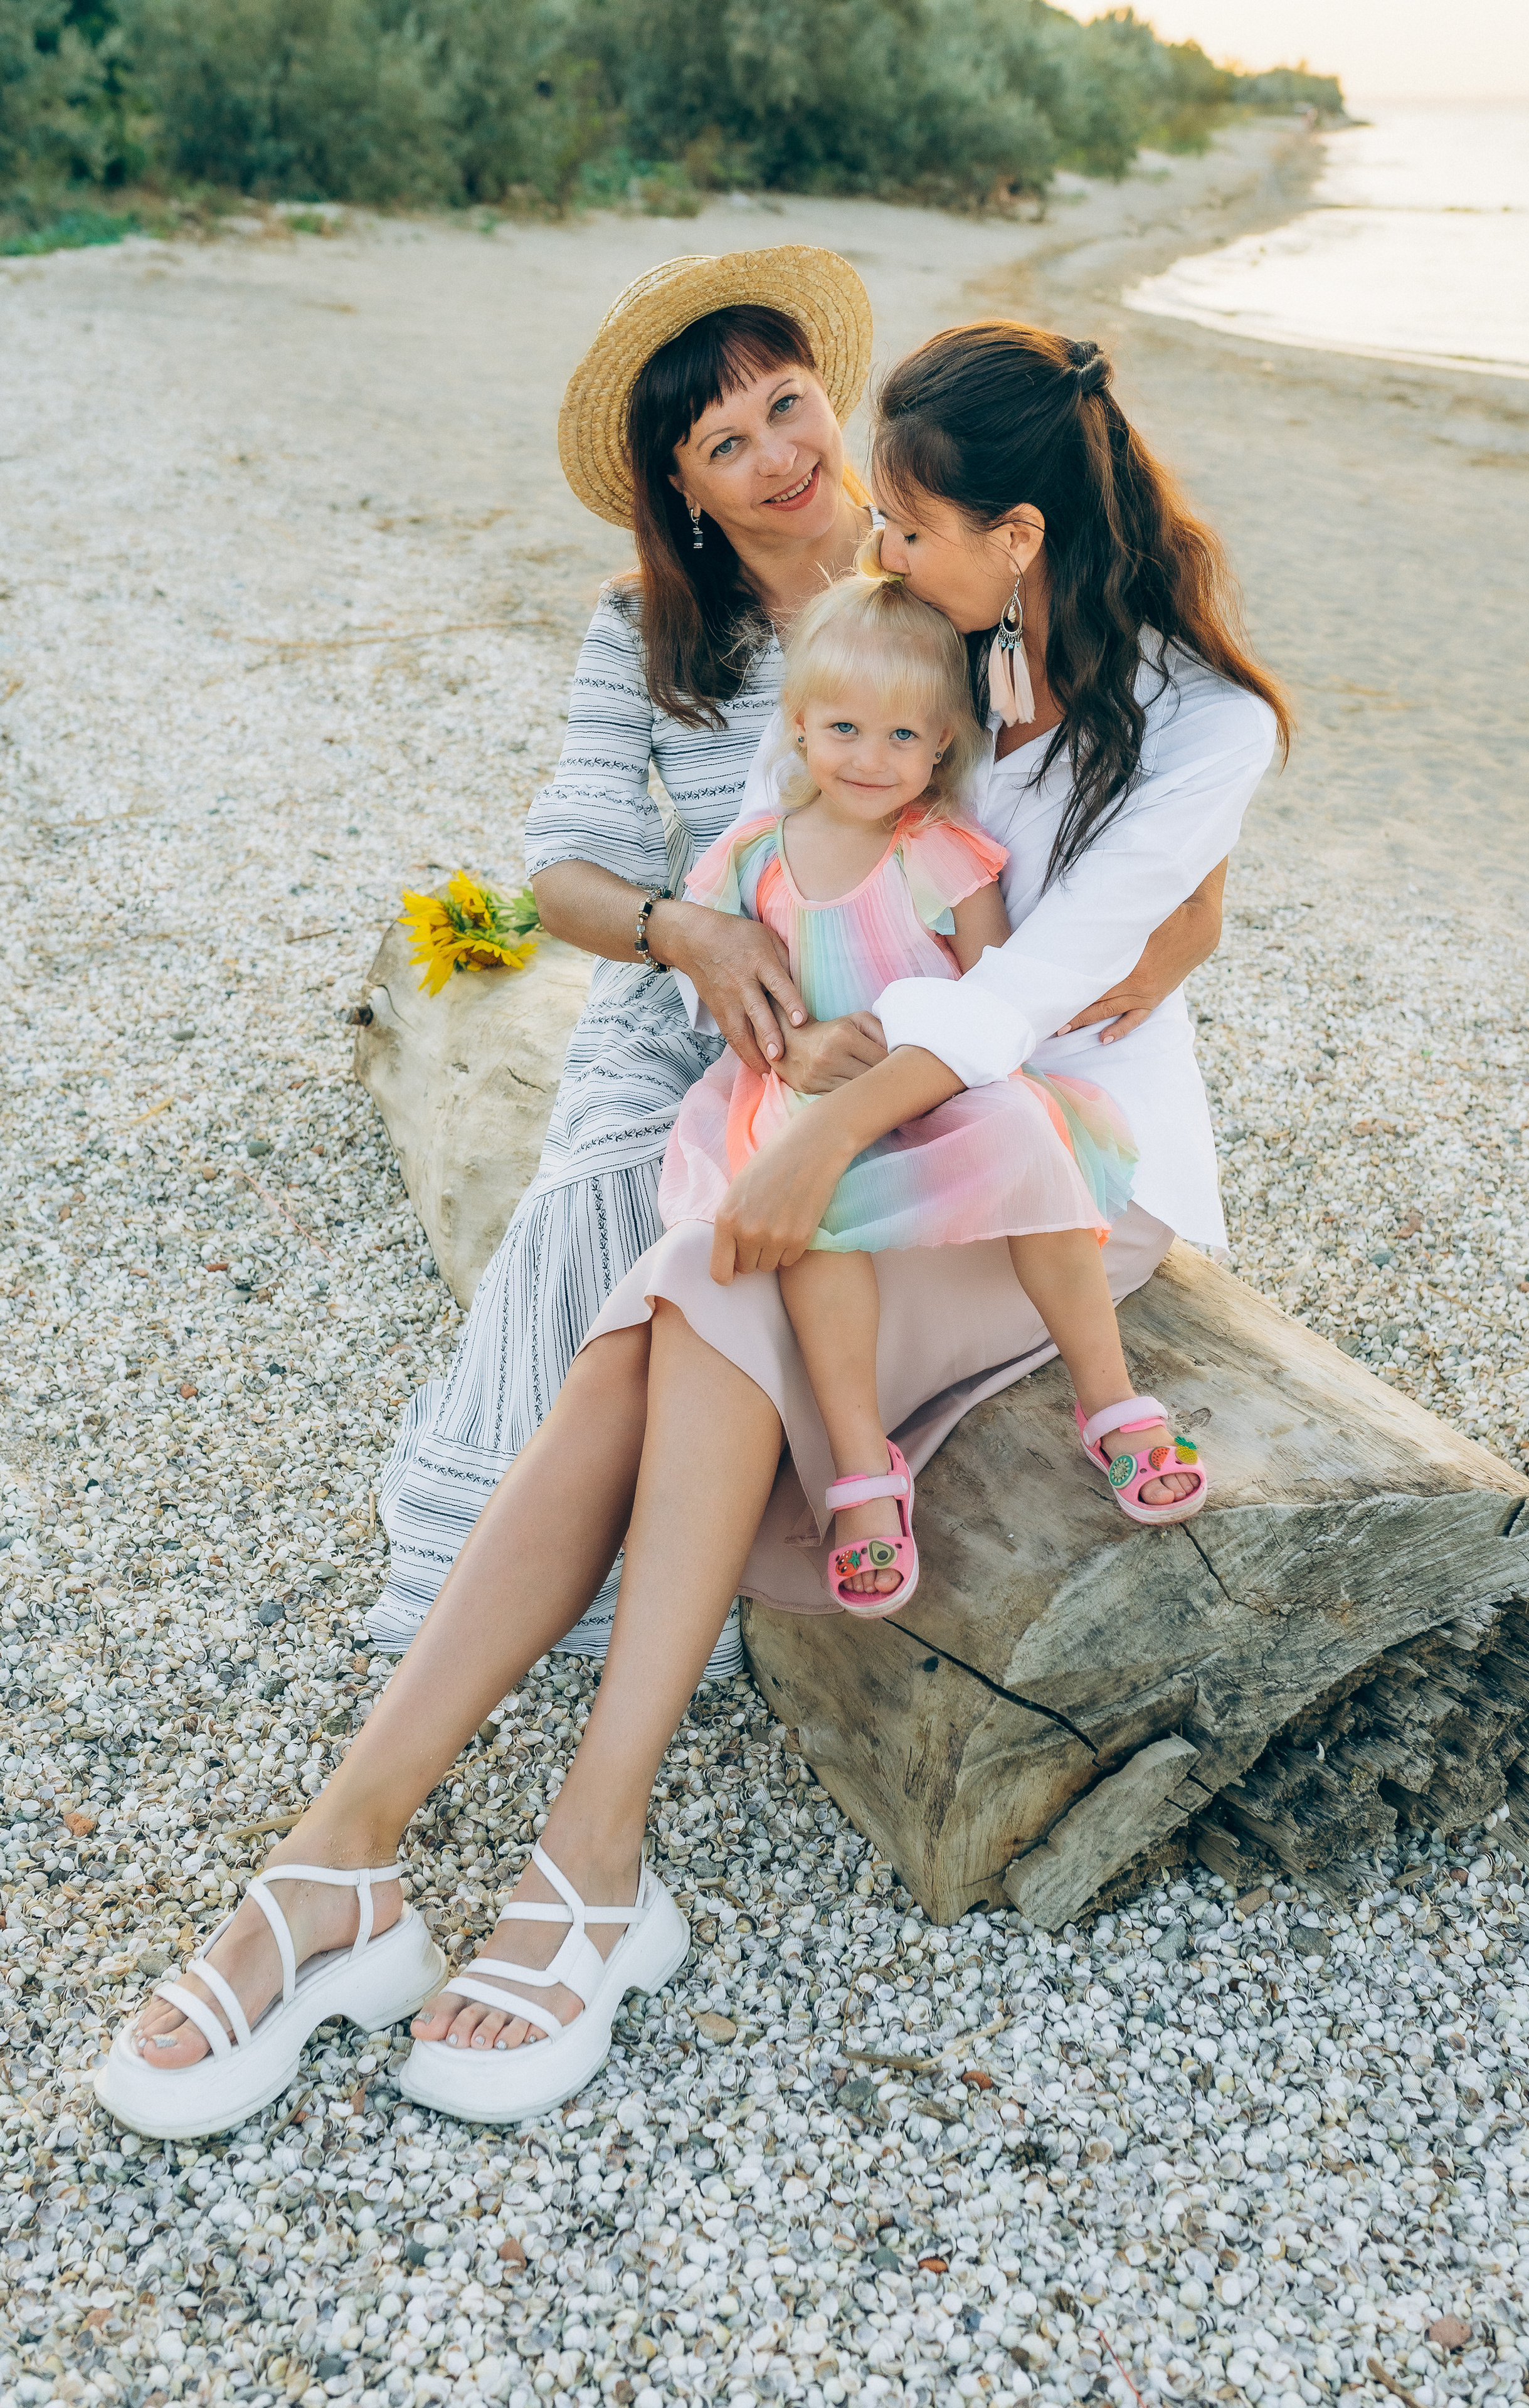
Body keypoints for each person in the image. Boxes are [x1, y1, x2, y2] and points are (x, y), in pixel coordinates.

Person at [96, 302, 1276, 2141]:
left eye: (908, 514)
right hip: (849, 1117)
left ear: (1018, 536)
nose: (873, 537)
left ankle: (541, 1857)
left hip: (1058, 1166)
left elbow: (1026, 993)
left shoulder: (1197, 724)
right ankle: (393, 1860)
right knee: (683, 1307)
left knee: (707, 1290)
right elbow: (773, 865)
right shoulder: (910, 654)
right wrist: (760, 1070)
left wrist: (806, 1153)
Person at [367, 248, 1224, 1674]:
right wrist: (689, 934)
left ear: (830, 400)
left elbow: (1110, 757)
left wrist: (1196, 905)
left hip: (920, 1015)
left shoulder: (943, 578)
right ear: (682, 489)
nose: (774, 457)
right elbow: (565, 871)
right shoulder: (645, 631)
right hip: (701, 1016)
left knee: (789, 1252)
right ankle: (526, 1605)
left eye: (785, 403)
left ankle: (765, 1539)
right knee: (600, 1237)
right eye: (722, 443)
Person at [660, 567, 1201, 1617]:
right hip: (815, 1095)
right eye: (846, 730)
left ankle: (1111, 1395)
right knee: (815, 1227)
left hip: (941, 1088)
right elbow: (731, 988)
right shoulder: (754, 856)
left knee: (1030, 1139)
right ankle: (861, 1467)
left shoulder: (941, 853)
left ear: (945, 745)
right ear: (799, 724)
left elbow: (994, 997)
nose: (872, 759)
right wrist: (791, 1050)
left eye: (906, 738)